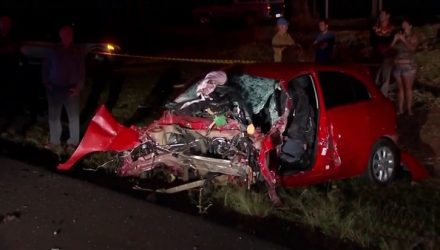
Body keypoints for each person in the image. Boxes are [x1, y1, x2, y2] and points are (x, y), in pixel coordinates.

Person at [42, 25, 86, 150]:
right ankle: (55, 141)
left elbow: (82, 71)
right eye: (64, 34)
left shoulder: (77, 50)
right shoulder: (53, 50)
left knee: (73, 117)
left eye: (69, 34)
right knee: (54, 116)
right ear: (60, 35)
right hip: (54, 88)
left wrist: (79, 88)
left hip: (71, 89)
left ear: (72, 36)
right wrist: (46, 82)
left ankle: (72, 142)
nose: (67, 37)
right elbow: (45, 66)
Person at [391, 18, 418, 116]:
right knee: (400, 89)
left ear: (410, 26)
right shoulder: (399, 36)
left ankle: (409, 109)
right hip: (397, 66)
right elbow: (390, 50)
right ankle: (400, 109)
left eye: (406, 25)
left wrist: (404, 40)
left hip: (408, 66)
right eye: (403, 25)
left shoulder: (413, 37)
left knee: (408, 89)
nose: (404, 27)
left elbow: (412, 49)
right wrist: (395, 40)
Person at [0, 16, 20, 133]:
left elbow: (15, 48)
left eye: (6, 23)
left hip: (10, 72)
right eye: (2, 23)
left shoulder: (14, 36)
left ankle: (8, 120)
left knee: (9, 96)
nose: (4, 25)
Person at [370, 9, 396, 96]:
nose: (381, 16)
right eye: (380, 15)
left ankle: (382, 97)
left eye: (383, 15)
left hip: (388, 56)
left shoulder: (392, 29)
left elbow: (392, 42)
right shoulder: (375, 28)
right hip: (377, 55)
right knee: (374, 78)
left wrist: (385, 48)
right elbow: (372, 42)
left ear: (388, 16)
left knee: (385, 78)